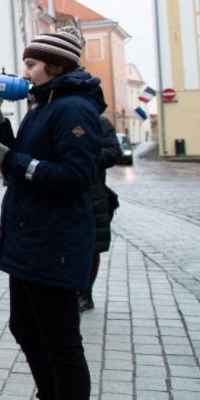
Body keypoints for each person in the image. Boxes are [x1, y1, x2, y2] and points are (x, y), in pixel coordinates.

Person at [0, 27, 103, 400]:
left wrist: (13, 161)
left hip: (54, 244)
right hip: (32, 239)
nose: (24, 71)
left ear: (55, 66)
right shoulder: (44, 105)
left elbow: (75, 174)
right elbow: (26, 159)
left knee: (61, 344)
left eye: (31, 64)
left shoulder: (73, 107)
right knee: (25, 328)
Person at [83, 112, 120, 312]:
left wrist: (84, 155)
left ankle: (85, 294)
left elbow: (114, 152)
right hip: (62, 191)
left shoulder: (99, 121)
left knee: (92, 247)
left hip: (93, 195)